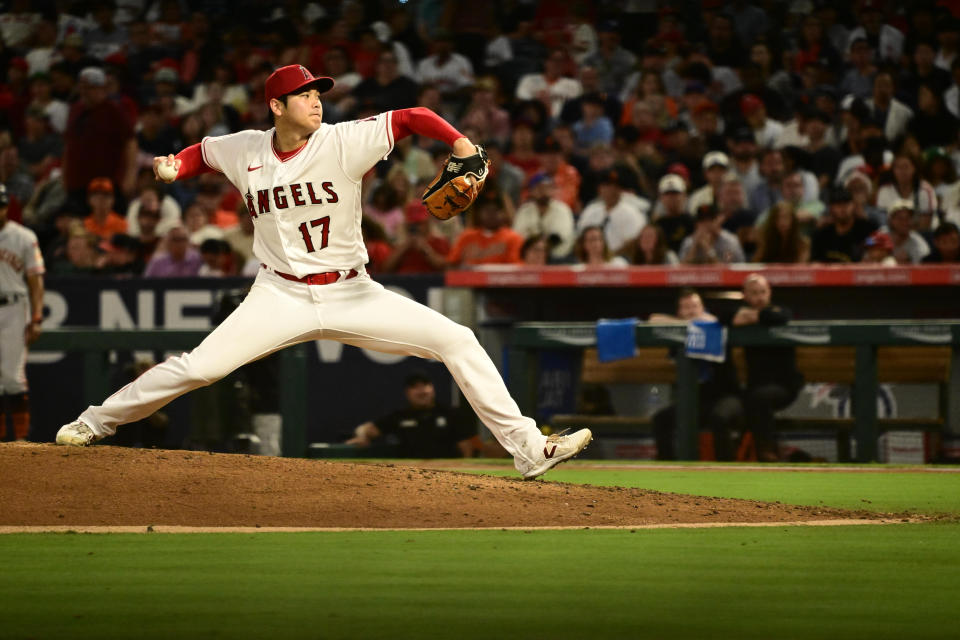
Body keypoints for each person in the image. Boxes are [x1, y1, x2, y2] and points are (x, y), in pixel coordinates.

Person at [56, 64, 590, 480]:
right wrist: (176, 162)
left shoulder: (341, 141)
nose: (317, 100)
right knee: (198, 369)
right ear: (276, 105)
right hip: (278, 295)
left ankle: (529, 449)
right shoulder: (245, 148)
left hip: (353, 292)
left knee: (457, 339)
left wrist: (462, 145)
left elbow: (411, 116)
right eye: (306, 94)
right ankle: (94, 421)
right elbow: (203, 152)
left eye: (319, 94)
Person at [649, 289, 742, 461]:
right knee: (661, 419)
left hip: (727, 396)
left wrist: (694, 323)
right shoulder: (679, 331)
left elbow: (713, 320)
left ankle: (727, 467)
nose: (691, 311)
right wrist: (687, 324)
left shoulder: (715, 326)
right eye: (686, 308)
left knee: (719, 417)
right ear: (679, 313)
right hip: (696, 400)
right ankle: (667, 467)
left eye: (695, 306)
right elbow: (654, 319)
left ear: (703, 308)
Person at [731, 274, 804, 462]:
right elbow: (725, 317)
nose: (760, 297)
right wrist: (750, 316)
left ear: (769, 292)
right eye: (754, 293)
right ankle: (740, 458)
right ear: (745, 296)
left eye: (763, 292)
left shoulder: (780, 310)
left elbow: (780, 316)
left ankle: (767, 452)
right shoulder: (738, 311)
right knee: (744, 402)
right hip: (754, 387)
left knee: (758, 398)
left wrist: (753, 316)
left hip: (784, 385)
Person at [345, 370, 479, 458]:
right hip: (410, 475)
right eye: (415, 387)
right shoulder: (400, 416)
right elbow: (368, 429)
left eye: (425, 385)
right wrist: (362, 436)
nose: (421, 391)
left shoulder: (451, 414)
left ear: (432, 389)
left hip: (447, 473)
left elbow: (466, 447)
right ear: (407, 393)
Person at [0, 184, 44, 442]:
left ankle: (18, 444)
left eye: (2, 205)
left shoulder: (24, 237)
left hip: (14, 307)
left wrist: (37, 317)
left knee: (13, 378)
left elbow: (35, 281)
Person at [512, 173, 575, 260]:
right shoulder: (524, 211)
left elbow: (557, 238)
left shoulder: (562, 209)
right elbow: (518, 238)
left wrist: (537, 245)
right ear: (531, 191)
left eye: (547, 187)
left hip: (559, 258)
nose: (543, 191)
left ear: (553, 190)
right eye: (539, 188)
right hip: (529, 259)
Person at [810, 188, 878, 263]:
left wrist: (867, 250)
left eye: (846, 203)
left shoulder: (867, 229)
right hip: (829, 273)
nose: (843, 208)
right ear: (831, 208)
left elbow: (873, 247)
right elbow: (815, 262)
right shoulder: (821, 234)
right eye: (838, 204)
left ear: (854, 205)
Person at [678, 206, 746, 264]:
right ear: (697, 224)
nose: (706, 224)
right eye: (702, 220)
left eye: (710, 220)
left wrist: (708, 249)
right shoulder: (689, 241)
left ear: (718, 221)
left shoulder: (729, 241)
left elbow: (726, 268)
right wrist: (694, 246)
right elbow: (681, 269)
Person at [882, 199, 931, 264]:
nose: (904, 222)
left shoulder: (919, 244)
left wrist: (907, 263)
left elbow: (922, 270)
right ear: (890, 220)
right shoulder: (880, 234)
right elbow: (866, 256)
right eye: (900, 218)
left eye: (908, 218)